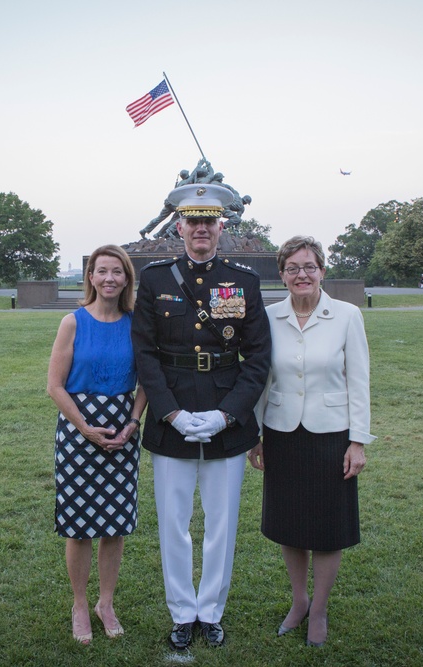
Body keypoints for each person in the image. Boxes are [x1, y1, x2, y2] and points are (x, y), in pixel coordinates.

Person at [131, 182, 271, 650]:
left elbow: (258, 358)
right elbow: (145, 355)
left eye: (209, 222)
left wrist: (228, 416)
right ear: (179, 226)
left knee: (221, 524)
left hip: (225, 418)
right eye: (193, 222)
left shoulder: (244, 281)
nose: (201, 230)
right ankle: (181, 611)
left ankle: (210, 611)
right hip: (171, 417)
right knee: (173, 524)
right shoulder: (154, 280)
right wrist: (169, 413)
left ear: (221, 227)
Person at [248, 235, 374, 648]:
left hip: (331, 436)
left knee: (327, 527)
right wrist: (257, 435)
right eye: (292, 268)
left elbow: (359, 380)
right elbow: (261, 379)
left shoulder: (347, 315)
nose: (301, 274)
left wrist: (358, 442)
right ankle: (298, 601)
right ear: (281, 274)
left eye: (309, 267)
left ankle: (319, 609)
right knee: (289, 524)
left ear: (322, 270)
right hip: (282, 434)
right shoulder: (268, 317)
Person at [47, 244, 148, 645]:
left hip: (123, 432)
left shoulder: (137, 323)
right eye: (101, 271)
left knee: (114, 526)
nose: (109, 278)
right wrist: (86, 428)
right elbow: (54, 386)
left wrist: (132, 422)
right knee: (79, 527)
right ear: (90, 276)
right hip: (78, 433)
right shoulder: (72, 322)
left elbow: (146, 382)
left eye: (117, 272)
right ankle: (79, 604)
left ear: (126, 279)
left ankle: (106, 603)